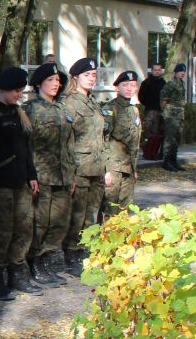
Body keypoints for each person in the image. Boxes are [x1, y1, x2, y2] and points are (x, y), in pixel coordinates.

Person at [0, 67, 39, 299]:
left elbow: (25, 148)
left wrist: (31, 175)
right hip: (0, 183)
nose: (20, 95)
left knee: (23, 228)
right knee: (2, 232)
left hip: (20, 181)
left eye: (21, 90)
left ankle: (17, 273)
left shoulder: (17, 113)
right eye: (16, 91)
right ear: (3, 89)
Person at [24, 62, 73, 288]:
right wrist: (29, 174)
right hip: (41, 174)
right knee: (40, 222)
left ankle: (46, 261)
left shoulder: (62, 109)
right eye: (50, 80)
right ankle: (33, 263)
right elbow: (25, 145)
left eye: (58, 81)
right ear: (38, 84)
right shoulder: (30, 109)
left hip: (62, 174)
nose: (56, 84)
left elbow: (69, 144)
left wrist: (71, 173)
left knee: (59, 221)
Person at [62, 58, 106, 271]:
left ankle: (86, 251)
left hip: (96, 166)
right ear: (75, 77)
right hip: (79, 167)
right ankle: (71, 252)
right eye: (87, 75)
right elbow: (66, 140)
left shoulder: (93, 102)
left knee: (92, 213)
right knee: (77, 215)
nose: (91, 78)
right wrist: (69, 172)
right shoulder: (69, 103)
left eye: (94, 75)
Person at [103, 71, 142, 217]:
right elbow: (103, 140)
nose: (129, 88)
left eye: (133, 85)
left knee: (125, 210)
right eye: (125, 85)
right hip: (114, 167)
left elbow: (135, 142)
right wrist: (106, 170)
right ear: (117, 88)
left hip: (128, 167)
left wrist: (134, 168)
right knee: (110, 209)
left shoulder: (134, 110)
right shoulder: (109, 109)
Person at [160, 63, 187, 172]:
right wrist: (165, 111)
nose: (182, 73)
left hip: (179, 114)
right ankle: (166, 161)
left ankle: (173, 160)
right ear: (176, 72)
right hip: (171, 114)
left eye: (184, 71)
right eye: (180, 71)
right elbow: (163, 98)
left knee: (177, 137)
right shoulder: (171, 84)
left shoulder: (182, 83)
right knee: (169, 137)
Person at [138, 63, 166, 160]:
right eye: (155, 70)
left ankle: (156, 152)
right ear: (152, 71)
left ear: (161, 71)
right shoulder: (146, 83)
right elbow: (141, 97)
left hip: (161, 110)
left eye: (159, 70)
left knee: (160, 133)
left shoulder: (163, 83)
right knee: (150, 133)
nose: (157, 72)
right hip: (150, 110)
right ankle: (148, 153)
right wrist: (148, 104)